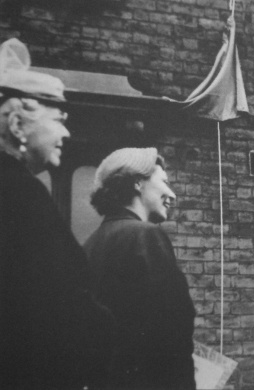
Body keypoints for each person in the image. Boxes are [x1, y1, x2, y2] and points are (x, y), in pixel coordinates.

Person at [0, 38, 115, 389]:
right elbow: (57, 305)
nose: (66, 132)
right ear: (19, 124)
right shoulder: (18, 193)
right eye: (59, 119)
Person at [84, 147, 197, 390]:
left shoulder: (90, 244)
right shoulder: (145, 235)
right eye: (165, 182)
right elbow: (173, 330)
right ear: (137, 183)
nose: (172, 194)